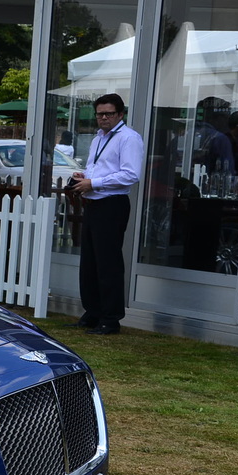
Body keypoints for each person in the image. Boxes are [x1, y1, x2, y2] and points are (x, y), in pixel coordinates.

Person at [69, 93, 143, 335]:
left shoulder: (129, 138)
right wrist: (84, 177)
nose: (103, 118)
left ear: (120, 114)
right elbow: (99, 168)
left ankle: (111, 319)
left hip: (112, 204)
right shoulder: (98, 139)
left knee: (108, 263)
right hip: (94, 204)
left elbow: (130, 175)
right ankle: (92, 312)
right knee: (89, 262)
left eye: (109, 114)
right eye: (100, 114)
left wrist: (95, 183)